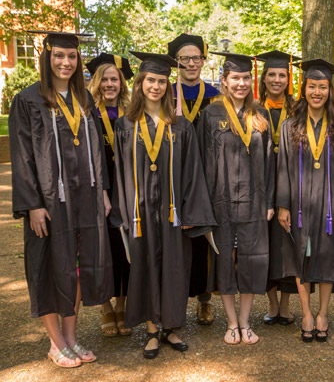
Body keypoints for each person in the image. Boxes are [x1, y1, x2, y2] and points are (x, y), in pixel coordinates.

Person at [9, 31, 114, 367]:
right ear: (47, 57)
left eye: (71, 57)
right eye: (59, 56)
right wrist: (33, 204)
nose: (66, 63)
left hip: (85, 197)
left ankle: (71, 338)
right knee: (51, 267)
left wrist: (105, 192)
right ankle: (56, 343)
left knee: (77, 268)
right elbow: (22, 155)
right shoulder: (28, 100)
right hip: (50, 202)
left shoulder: (83, 101)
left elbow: (98, 149)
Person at [111, 51, 216, 359]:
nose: (155, 86)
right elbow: (119, 174)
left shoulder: (181, 127)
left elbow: (193, 171)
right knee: (144, 266)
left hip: (172, 212)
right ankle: (151, 330)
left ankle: (170, 328)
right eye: (150, 80)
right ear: (140, 83)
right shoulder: (126, 126)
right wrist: (124, 211)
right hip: (140, 212)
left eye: (161, 81)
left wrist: (190, 211)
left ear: (168, 86)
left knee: (173, 267)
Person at [197, 52, 274, 345]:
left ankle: (245, 322)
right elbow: (203, 163)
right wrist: (204, 206)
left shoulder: (261, 115)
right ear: (224, 81)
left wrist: (268, 202)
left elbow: (269, 163)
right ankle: (230, 322)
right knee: (226, 260)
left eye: (245, 78)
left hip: (255, 202)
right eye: (235, 78)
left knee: (252, 261)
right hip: (221, 201)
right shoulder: (211, 115)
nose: (241, 83)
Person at [277, 59, 334, 343]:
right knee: (302, 258)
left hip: (329, 207)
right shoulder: (289, 127)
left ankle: (323, 313)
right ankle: (306, 313)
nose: (317, 92)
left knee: (327, 259)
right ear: (304, 89)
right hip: (298, 207)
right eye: (312, 86)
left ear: (330, 92)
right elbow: (283, 168)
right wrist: (283, 204)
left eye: (323, 87)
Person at [167, 33, 221, 326]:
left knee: (202, 239)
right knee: (174, 242)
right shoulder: (163, 93)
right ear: (176, 62)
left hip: (207, 178)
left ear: (204, 60)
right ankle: (173, 300)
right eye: (184, 58)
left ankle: (204, 300)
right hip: (171, 177)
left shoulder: (215, 95)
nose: (191, 63)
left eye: (196, 58)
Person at [86, 53, 134, 338]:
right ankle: (105, 306)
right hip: (97, 188)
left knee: (124, 245)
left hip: (124, 187)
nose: (109, 83)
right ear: (96, 82)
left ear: (122, 82)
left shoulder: (131, 112)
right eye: (104, 78)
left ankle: (123, 303)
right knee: (100, 246)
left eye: (114, 79)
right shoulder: (87, 112)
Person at [256, 50, 301, 326]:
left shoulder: (298, 109)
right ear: (263, 78)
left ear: (289, 78)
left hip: (289, 186)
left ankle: (285, 305)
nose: (276, 79)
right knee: (264, 247)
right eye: (271, 74)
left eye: (281, 75)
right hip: (260, 186)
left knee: (286, 247)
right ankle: (272, 304)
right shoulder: (252, 108)